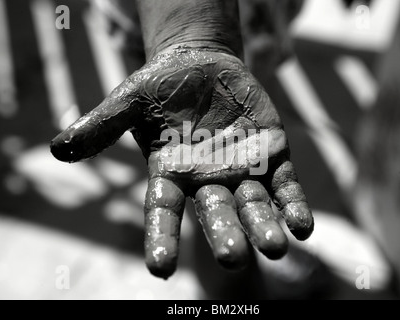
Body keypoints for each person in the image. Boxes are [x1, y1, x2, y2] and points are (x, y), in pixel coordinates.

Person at [50, 0, 314, 283]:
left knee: (252, 101)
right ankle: (232, 287)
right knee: (189, 164)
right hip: (160, 18)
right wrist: (191, 35)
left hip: (259, 16)